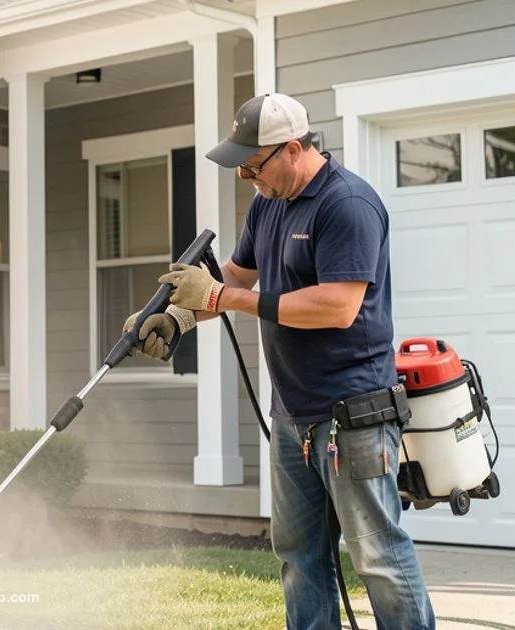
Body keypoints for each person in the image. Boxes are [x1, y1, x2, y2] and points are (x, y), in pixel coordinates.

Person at [123, 93, 436, 629]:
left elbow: (337, 307)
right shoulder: (269, 203)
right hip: (292, 418)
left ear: (293, 149)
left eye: (252, 164)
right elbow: (236, 278)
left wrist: (221, 299)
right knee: (298, 557)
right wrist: (176, 316)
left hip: (353, 418)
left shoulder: (348, 205)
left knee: (377, 557)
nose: (246, 176)